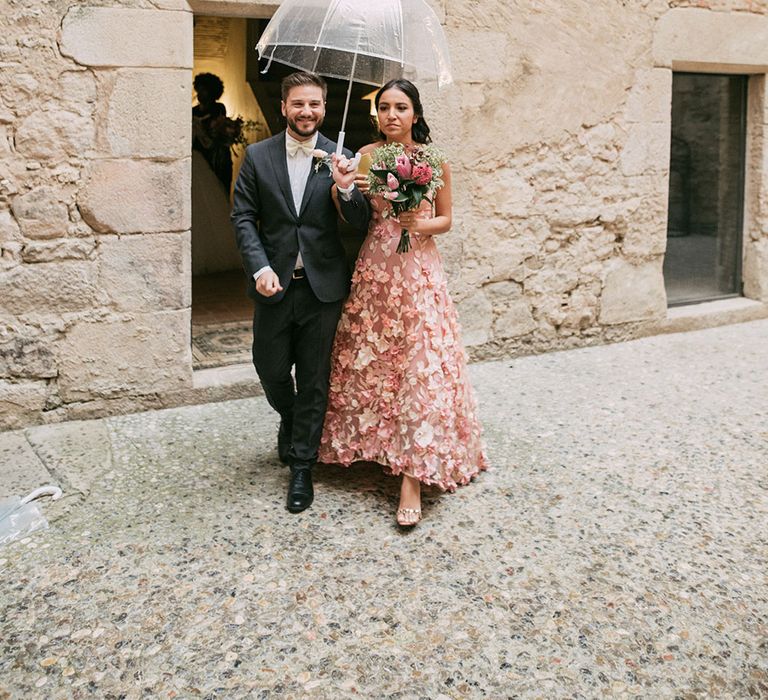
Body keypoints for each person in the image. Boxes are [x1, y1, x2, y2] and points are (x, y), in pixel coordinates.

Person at [318, 79, 487, 526]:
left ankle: (413, 475)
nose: (392, 115)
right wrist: (342, 188)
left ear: (415, 113)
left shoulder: (433, 159)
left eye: (401, 107)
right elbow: (352, 211)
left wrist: (421, 223)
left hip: (419, 270)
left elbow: (447, 218)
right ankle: (373, 448)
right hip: (377, 266)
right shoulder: (367, 155)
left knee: (418, 363)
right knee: (374, 360)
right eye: (385, 107)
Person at [231, 71, 370, 513]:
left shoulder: (341, 155)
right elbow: (243, 218)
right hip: (273, 287)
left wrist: (346, 189)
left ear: (324, 108)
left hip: (321, 287)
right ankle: (289, 417)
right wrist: (259, 267)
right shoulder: (257, 155)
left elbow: (360, 221)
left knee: (314, 379)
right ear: (284, 107)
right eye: (298, 104)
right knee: (269, 368)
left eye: (314, 104)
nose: (306, 112)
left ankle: (302, 466)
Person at [192, 72, 235, 191]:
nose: (200, 94)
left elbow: (218, 128)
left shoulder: (218, 108)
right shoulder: (193, 111)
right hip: (199, 156)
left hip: (217, 156)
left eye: (204, 90)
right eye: (199, 90)